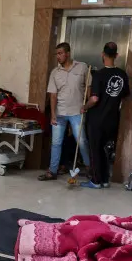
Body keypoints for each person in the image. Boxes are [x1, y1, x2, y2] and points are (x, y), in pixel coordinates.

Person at [79, 43, 129, 189]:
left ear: (103, 54)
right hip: (113, 119)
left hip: (97, 120)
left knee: (95, 149)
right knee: (106, 150)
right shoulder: (122, 74)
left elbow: (94, 99)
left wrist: (84, 107)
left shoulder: (99, 75)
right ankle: (105, 179)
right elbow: (125, 96)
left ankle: (95, 180)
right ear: (117, 55)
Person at [42, 42, 90, 182]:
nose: (58, 56)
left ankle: (89, 169)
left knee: (81, 141)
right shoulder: (55, 73)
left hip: (77, 111)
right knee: (56, 143)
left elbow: (88, 88)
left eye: (60, 53)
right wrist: (52, 114)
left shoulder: (82, 67)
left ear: (68, 53)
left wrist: (87, 107)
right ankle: (52, 171)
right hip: (60, 113)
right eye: (56, 54)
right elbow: (53, 95)